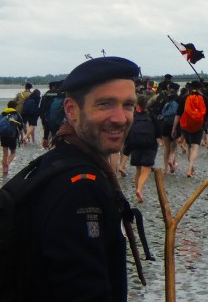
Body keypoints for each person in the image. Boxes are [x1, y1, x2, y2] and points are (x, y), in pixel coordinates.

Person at [21, 56, 145, 301]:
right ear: (71, 110)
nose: (120, 118)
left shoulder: (57, 161)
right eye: (105, 104)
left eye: (128, 105)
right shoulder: (80, 187)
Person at [124, 94, 159, 203]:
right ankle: (139, 189)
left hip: (135, 145)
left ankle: (136, 190)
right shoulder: (151, 115)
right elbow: (158, 130)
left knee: (138, 170)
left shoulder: (133, 115)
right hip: (149, 145)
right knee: (146, 170)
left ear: (136, 104)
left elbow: (127, 130)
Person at [0, 103, 24, 178]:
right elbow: (21, 126)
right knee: (13, 152)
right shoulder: (16, 114)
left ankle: (4, 170)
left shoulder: (3, 114)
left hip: (3, 135)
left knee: (5, 152)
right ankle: (7, 164)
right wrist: (22, 137)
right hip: (12, 135)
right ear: (15, 107)